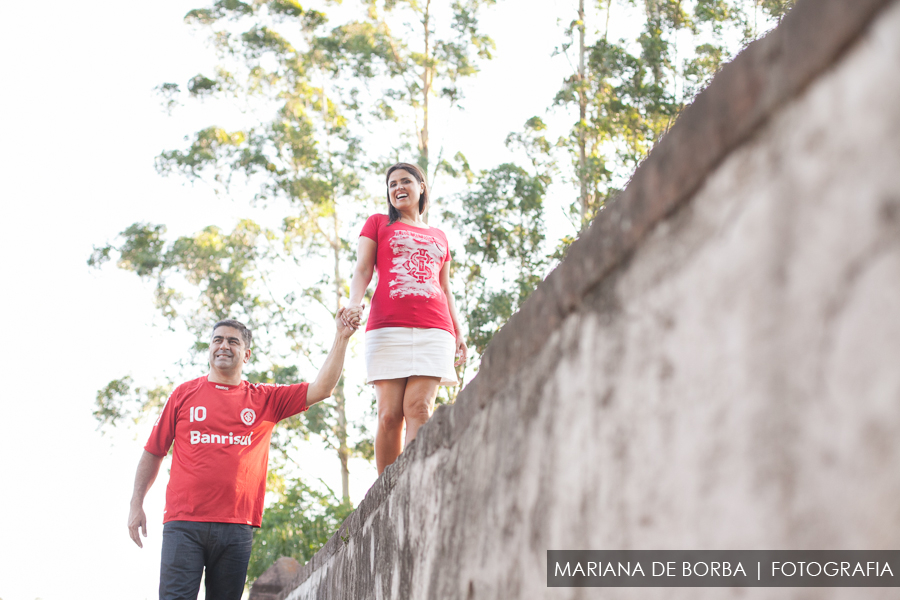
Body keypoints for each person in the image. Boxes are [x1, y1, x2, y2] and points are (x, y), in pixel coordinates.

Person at [127, 311, 356, 600]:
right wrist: (136, 504)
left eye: (232, 342)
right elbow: (153, 451)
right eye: (217, 340)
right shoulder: (183, 395)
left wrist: (342, 337)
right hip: (184, 523)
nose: (223, 346)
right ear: (210, 348)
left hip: (236, 527)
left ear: (246, 354)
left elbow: (322, 389)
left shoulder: (265, 399)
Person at [344, 162, 467, 475]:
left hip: (436, 329)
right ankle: (385, 493)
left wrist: (459, 332)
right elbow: (362, 269)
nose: (398, 188)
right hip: (387, 327)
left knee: (420, 408)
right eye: (392, 184)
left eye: (405, 182)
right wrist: (353, 304)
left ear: (421, 186)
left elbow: (444, 287)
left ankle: (412, 485)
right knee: (389, 415)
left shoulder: (440, 236)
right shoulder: (377, 223)